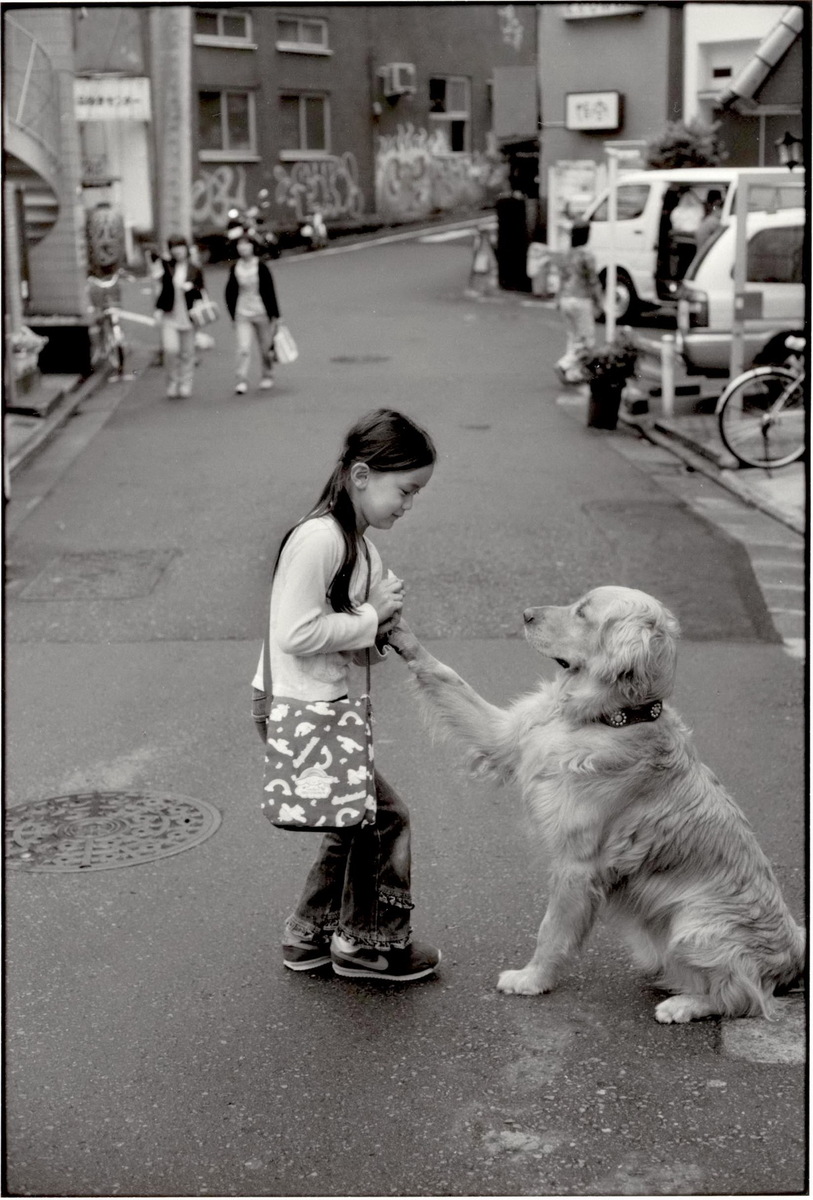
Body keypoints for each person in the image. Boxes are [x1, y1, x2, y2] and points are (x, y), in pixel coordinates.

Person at [252, 408, 440, 983]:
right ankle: (369, 942)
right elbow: (296, 632)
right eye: (404, 490)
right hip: (302, 706)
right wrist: (369, 615)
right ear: (362, 476)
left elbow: (348, 643)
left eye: (416, 493)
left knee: (352, 818)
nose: (408, 504)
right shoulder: (319, 540)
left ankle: (309, 933)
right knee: (385, 820)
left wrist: (379, 623)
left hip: (323, 703)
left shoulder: (358, 544)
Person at [224, 232, 281, 394]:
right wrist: (232, 315)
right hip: (242, 312)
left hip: (261, 312)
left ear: (253, 247)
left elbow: (270, 292)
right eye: (240, 245)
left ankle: (267, 375)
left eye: (246, 244)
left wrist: (277, 315)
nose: (243, 248)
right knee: (243, 348)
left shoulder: (261, 266)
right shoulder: (235, 268)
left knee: (265, 348)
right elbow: (230, 293)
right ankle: (241, 379)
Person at [153, 236, 206, 399]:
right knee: (171, 350)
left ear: (186, 248)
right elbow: (158, 285)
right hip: (170, 314)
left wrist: (191, 288)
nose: (178, 250)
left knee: (187, 353)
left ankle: (185, 383)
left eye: (180, 247)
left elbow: (202, 292)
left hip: (188, 315)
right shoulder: (166, 267)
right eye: (174, 247)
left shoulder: (194, 269)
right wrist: (157, 309)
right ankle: (172, 382)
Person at [555, 221, 603, 385]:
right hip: (581, 299)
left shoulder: (566, 254)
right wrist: (600, 301)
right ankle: (565, 364)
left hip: (565, 298)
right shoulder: (586, 255)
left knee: (573, 337)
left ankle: (574, 373)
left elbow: (562, 278)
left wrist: (558, 298)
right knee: (587, 340)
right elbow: (593, 281)